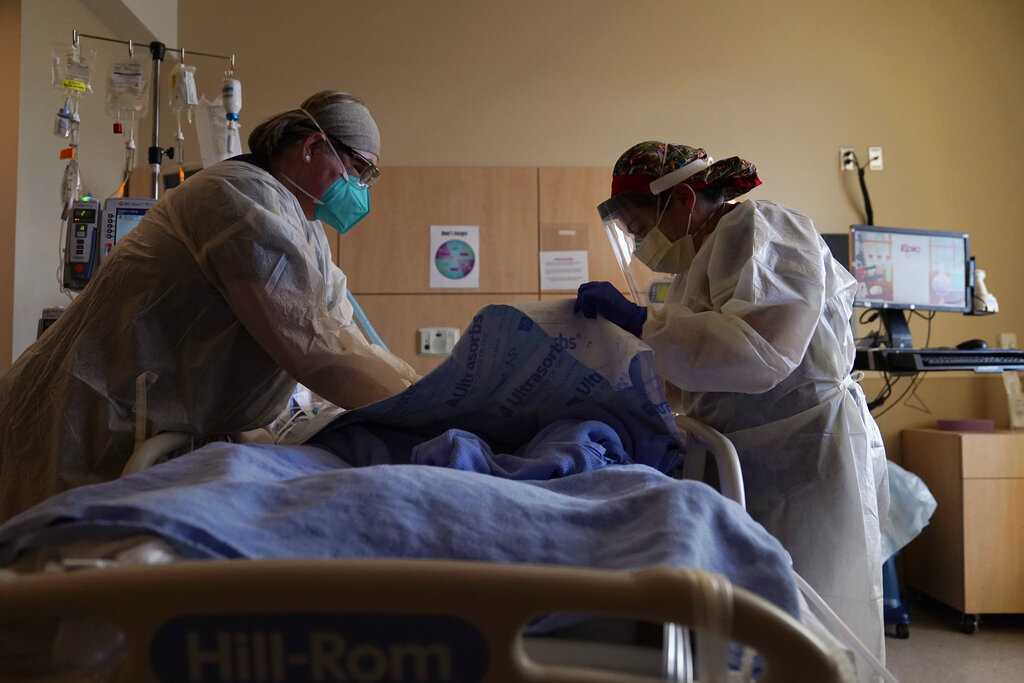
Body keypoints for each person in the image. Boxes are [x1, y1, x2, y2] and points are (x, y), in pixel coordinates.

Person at [0, 90, 418, 522]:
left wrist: (421, 388)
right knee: (49, 557)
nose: (361, 190)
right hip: (88, 422)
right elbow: (316, 348)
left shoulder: (303, 227)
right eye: (359, 171)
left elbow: (343, 335)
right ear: (313, 147)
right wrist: (423, 412)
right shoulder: (239, 198)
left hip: (147, 431)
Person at [574, 141, 889, 662]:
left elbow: (758, 352)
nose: (639, 244)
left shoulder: (762, 231)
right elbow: (695, 374)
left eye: (639, 227)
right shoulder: (694, 268)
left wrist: (638, 322)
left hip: (806, 452)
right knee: (756, 618)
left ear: (683, 199)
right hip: (754, 453)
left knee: (815, 618)